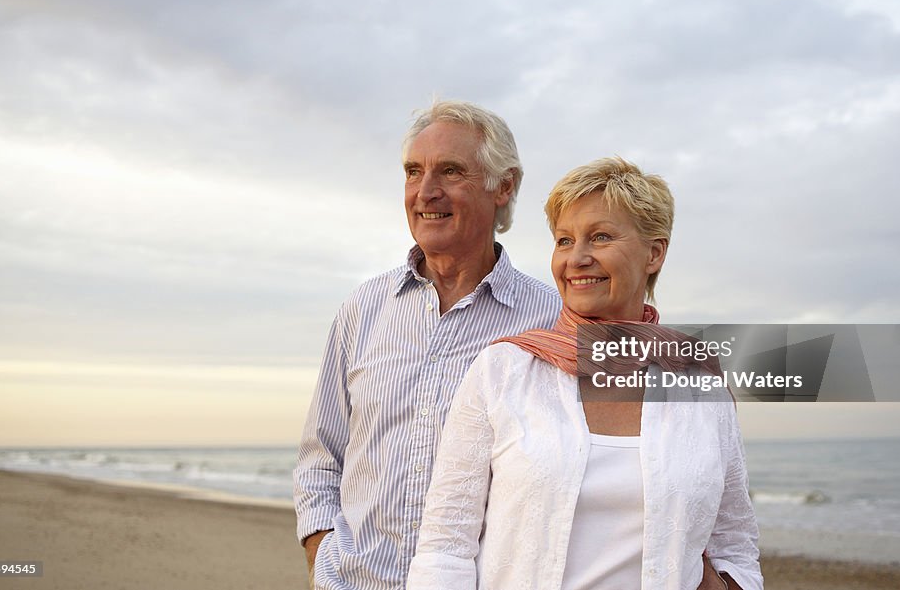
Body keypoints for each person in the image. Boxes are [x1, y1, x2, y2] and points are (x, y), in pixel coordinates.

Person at [407, 157, 763, 590]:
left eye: (600, 237)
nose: (577, 258)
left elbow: (736, 544)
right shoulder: (503, 371)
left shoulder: (698, 383)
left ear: (654, 253)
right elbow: (445, 548)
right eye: (563, 240)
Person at [294, 100, 561, 590]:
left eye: (451, 171)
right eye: (413, 172)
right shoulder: (364, 307)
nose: (425, 192)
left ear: (504, 186)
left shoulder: (550, 320)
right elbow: (321, 454)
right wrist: (322, 555)